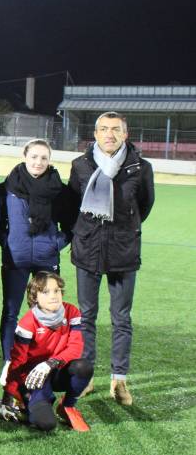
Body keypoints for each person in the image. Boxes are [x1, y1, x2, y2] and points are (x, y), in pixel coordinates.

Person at [68, 111, 154, 405]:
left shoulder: (141, 167)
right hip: (88, 250)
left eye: (115, 129)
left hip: (123, 252)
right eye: (103, 129)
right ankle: (86, 377)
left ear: (125, 134)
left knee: (121, 319)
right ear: (95, 134)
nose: (109, 134)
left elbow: (144, 205)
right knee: (87, 317)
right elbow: (73, 205)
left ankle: (119, 381)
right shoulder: (80, 165)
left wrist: (122, 232)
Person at [0, 139, 74, 383]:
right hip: (16, 258)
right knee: (11, 310)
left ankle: (43, 360)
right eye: (34, 157)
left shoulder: (60, 191)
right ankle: (10, 362)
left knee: (47, 310)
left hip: (46, 258)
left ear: (49, 160)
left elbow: (71, 225)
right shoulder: (7, 187)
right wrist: (8, 242)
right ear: (24, 156)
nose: (38, 162)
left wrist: (55, 244)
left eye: (43, 158)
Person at [0, 272, 93, 432]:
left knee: (84, 367)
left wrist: (51, 362)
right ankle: (28, 400)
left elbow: (76, 348)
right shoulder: (27, 322)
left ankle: (67, 406)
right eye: (46, 292)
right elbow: (17, 361)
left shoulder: (72, 312)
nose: (54, 296)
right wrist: (8, 394)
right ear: (35, 297)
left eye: (57, 290)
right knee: (46, 423)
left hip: (57, 370)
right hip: (35, 378)